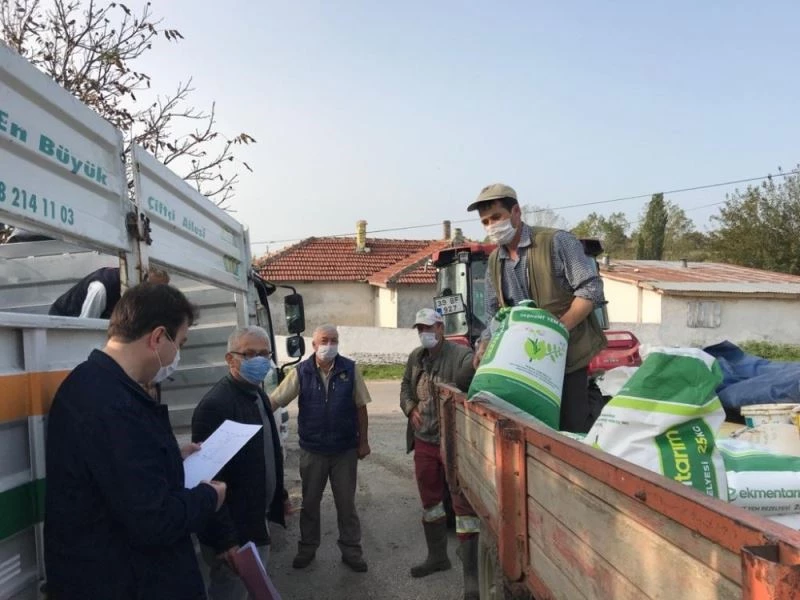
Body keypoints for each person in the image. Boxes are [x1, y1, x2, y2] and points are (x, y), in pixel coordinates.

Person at [44, 283, 227, 600]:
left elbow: (123, 475)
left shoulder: (94, 384)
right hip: (126, 583)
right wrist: (209, 496)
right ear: (157, 338)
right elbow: (154, 520)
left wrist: (170, 458)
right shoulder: (113, 405)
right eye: (179, 343)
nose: (177, 355)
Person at [468, 182, 607, 434]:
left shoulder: (557, 242)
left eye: (496, 217)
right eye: (485, 222)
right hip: (524, 360)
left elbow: (591, 289)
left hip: (566, 355)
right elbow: (493, 313)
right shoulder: (494, 261)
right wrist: (485, 344)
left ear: (516, 212)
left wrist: (556, 329)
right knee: (530, 424)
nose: (491, 226)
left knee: (572, 426)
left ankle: (595, 403)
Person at [191, 326, 287, 599]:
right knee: (231, 591)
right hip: (236, 533)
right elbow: (208, 479)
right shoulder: (216, 405)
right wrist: (226, 540)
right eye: (249, 354)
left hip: (256, 518)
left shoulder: (257, 395)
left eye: (264, 354)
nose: (259, 361)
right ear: (230, 359)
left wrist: (278, 496)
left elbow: (268, 453)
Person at [270, 324, 371, 572]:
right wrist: (252, 414)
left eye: (334, 340)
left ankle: (351, 551)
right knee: (310, 503)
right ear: (314, 345)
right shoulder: (301, 371)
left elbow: (361, 407)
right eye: (324, 340)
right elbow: (276, 399)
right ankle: (307, 548)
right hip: (313, 450)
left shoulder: (350, 369)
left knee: (346, 505)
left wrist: (363, 441)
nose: (329, 345)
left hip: (344, 450)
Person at [400, 308, 480, 599]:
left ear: (441, 328)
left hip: (453, 442)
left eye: (429, 327)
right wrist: (410, 408)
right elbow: (405, 387)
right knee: (431, 502)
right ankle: (437, 557)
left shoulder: (460, 355)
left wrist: (478, 360)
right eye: (420, 328)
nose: (425, 333)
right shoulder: (416, 357)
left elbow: (469, 379)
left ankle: (472, 578)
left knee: (463, 506)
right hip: (424, 440)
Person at [48, 265, 170, 319]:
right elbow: (86, 323)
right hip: (65, 318)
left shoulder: (131, 282)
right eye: (155, 288)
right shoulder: (100, 289)